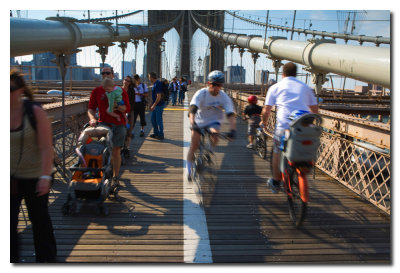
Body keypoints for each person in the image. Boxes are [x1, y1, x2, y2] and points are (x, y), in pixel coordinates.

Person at [10, 69, 57, 263]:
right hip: (10, 177)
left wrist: (45, 177)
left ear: (20, 90)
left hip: (36, 175)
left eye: (10, 89)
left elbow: (47, 148)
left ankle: (46, 261)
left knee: (39, 221)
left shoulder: (34, 111)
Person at [260, 62, 319, 193]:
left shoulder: (276, 87)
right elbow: (315, 111)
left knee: (277, 152)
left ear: (283, 74)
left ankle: (276, 182)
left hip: (283, 128)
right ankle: (304, 167)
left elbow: (266, 110)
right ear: (295, 74)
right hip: (303, 128)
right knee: (304, 147)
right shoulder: (306, 88)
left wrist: (263, 122)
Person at [186, 70, 237, 178]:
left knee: (215, 134)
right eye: (214, 84)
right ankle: (189, 169)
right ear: (208, 83)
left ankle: (208, 151)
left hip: (214, 120)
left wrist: (232, 130)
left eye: (219, 85)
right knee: (194, 145)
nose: (216, 87)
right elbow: (192, 109)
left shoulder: (224, 97)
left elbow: (231, 114)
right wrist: (193, 123)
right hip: (199, 120)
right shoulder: (201, 93)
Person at [88, 66, 131, 187]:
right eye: (103, 73)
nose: (105, 75)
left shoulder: (120, 91)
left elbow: (127, 108)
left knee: (116, 151)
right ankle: (100, 174)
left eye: (108, 73)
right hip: (103, 125)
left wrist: (117, 107)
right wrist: (92, 118)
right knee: (101, 150)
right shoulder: (96, 91)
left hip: (118, 124)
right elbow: (91, 108)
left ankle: (115, 177)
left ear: (113, 75)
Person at [148, 72, 165, 140]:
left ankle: (161, 134)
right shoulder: (155, 84)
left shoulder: (157, 84)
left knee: (158, 120)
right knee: (153, 120)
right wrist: (151, 104)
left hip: (159, 105)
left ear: (152, 77)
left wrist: (154, 105)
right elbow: (155, 96)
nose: (149, 79)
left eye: (149, 77)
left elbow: (159, 96)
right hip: (155, 105)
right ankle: (156, 133)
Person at [122, 75, 136, 154]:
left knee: (129, 130)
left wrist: (128, 111)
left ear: (130, 83)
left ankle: (127, 147)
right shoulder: (118, 89)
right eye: (125, 80)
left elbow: (132, 102)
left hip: (129, 112)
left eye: (128, 81)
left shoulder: (131, 91)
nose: (126, 82)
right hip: (119, 112)